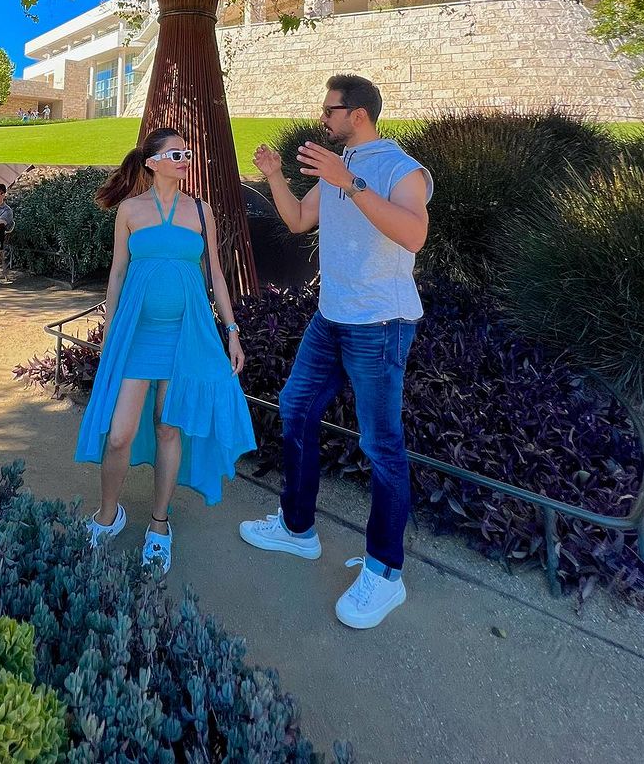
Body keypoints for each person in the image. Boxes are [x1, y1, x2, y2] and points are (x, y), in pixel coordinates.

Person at [240, 74, 432, 630]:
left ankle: (385, 572)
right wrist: (274, 176)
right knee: (296, 407)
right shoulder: (335, 166)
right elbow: (299, 220)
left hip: (381, 323)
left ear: (359, 114)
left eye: (330, 110)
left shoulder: (401, 169)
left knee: (381, 446)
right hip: (332, 318)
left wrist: (349, 181)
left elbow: (413, 235)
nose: (323, 118)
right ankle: (297, 528)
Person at [76, 126, 256, 574]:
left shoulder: (201, 210)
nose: (185, 159)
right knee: (119, 434)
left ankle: (159, 525)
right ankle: (108, 515)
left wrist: (232, 330)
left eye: (187, 153)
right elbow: (118, 272)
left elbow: (215, 274)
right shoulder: (129, 210)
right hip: (138, 335)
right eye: (176, 153)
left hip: (187, 336)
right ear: (153, 162)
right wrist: (110, 330)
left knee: (168, 429)